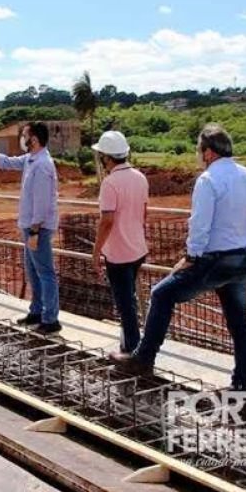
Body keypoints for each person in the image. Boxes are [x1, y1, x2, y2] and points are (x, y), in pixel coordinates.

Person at [110, 124, 246, 390]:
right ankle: (241, 383)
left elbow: (200, 223)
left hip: (215, 261)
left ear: (207, 153)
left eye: (199, 150)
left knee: (162, 294)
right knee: (239, 322)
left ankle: (143, 360)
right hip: (244, 259)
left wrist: (191, 256)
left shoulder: (208, 180)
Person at [0, 122, 61, 334]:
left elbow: (42, 202)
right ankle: (37, 312)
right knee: (34, 272)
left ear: (34, 139)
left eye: (25, 135)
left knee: (45, 273)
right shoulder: (31, 160)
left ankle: (50, 319)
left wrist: (36, 231)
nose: (22, 138)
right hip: (30, 227)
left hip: (38, 228)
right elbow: (5, 162)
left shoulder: (42, 165)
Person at [91, 131, 149, 354]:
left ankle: (132, 351)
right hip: (137, 248)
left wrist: (96, 252)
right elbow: (144, 212)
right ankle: (129, 344)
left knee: (125, 304)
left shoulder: (110, 183)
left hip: (119, 252)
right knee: (129, 299)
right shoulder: (140, 177)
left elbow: (106, 221)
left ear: (107, 157)